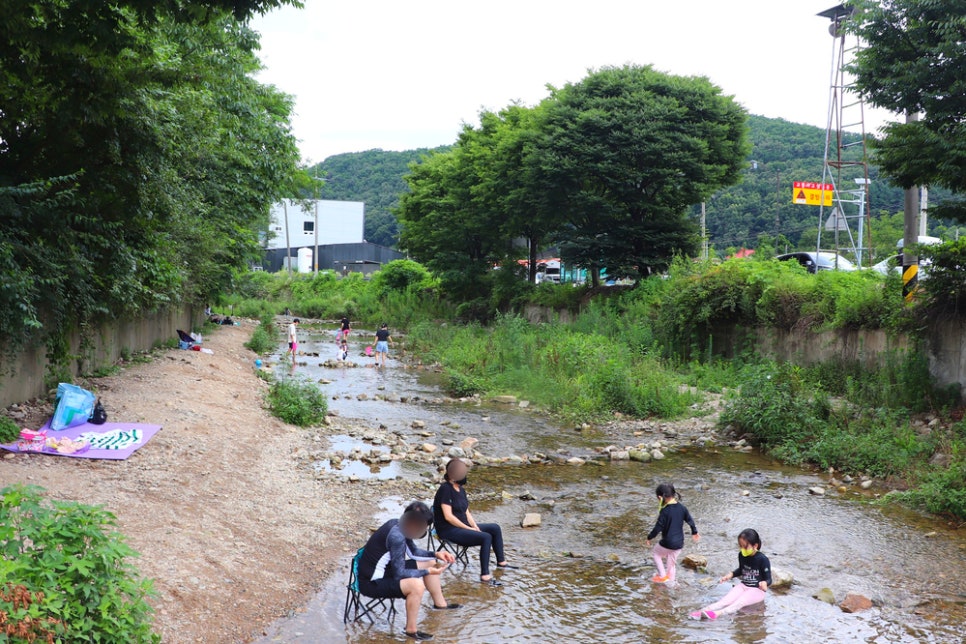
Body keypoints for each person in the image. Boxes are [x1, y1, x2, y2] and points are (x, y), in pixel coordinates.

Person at [358, 502, 459, 641]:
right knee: (417, 586)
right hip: (371, 582)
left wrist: (436, 554)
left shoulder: (398, 524)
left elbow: (413, 553)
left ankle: (440, 604)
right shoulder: (397, 537)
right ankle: (411, 630)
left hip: (383, 570)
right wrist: (427, 572)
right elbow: (399, 573)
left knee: (430, 562)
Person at [433, 458, 516, 586]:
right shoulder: (445, 489)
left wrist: (474, 526)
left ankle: (501, 563)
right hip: (448, 530)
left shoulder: (461, 490)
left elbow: (466, 512)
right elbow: (448, 517)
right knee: (486, 537)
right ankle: (485, 576)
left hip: (462, 527)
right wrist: (468, 529)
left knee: (494, 528)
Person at [691, 528, 771, 621]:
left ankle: (717, 614)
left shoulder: (763, 559)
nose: (742, 549)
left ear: (755, 545)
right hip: (743, 585)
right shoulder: (741, 555)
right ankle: (702, 611)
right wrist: (731, 575)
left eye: (745, 547)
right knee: (724, 601)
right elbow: (741, 570)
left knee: (739, 603)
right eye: (740, 546)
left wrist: (765, 583)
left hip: (756, 590)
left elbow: (769, 579)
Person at [645, 483, 699, 583]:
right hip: (679, 544)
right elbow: (690, 520)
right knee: (671, 563)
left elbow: (658, 527)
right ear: (674, 494)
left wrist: (649, 537)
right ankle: (671, 583)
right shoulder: (682, 508)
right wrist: (694, 532)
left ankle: (662, 576)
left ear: (660, 497)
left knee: (656, 553)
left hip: (667, 542)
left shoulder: (665, 511)